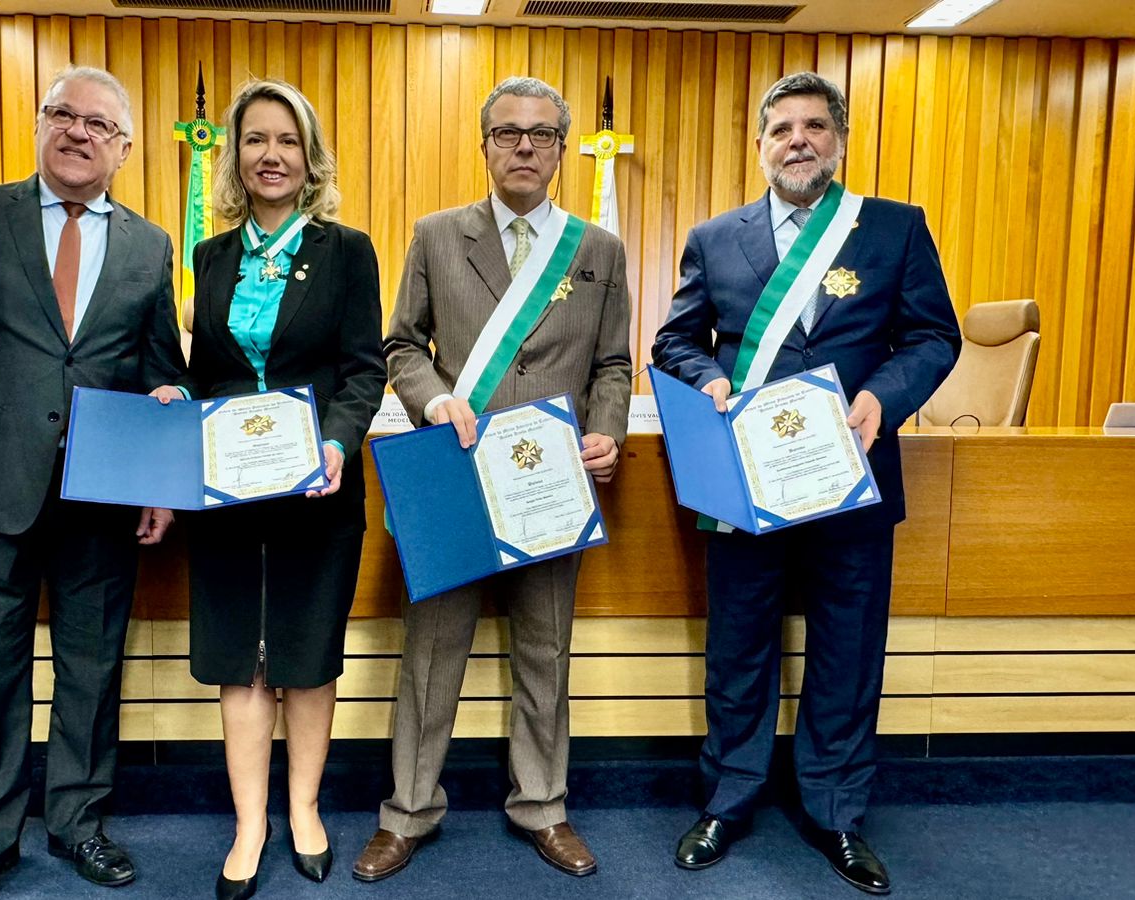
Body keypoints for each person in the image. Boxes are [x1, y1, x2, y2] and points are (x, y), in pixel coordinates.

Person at [652, 71, 961, 895]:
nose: (799, 139)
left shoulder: (892, 229)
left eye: (815, 126)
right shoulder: (717, 237)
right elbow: (675, 341)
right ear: (760, 146)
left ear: (840, 139)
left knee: (846, 650)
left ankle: (836, 811)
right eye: (782, 127)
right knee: (739, 646)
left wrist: (880, 399)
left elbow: (934, 337)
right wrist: (708, 379)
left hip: (852, 476)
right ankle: (731, 799)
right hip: (744, 480)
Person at [0, 66, 186, 900]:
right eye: (64, 113)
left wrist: (160, 481)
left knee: (93, 668)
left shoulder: (148, 244)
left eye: (99, 124)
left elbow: (160, 372)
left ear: (123, 149)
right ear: (38, 123)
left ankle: (79, 825)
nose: (79, 131)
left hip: (104, 492)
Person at [353, 75, 632, 883]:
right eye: (507, 133)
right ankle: (407, 812)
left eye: (541, 135)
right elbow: (399, 345)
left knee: (547, 650)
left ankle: (544, 807)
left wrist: (606, 430)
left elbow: (612, 362)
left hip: (550, 485)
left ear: (559, 151)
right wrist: (434, 398)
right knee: (432, 652)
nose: (523, 147)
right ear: (484, 147)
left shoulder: (598, 249)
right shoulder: (438, 235)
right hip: (455, 472)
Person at [157, 79, 385, 900]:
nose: (271, 156)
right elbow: (208, 371)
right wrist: (176, 394)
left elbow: (365, 369)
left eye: (287, 141)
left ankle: (305, 809)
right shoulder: (210, 257)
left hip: (319, 487)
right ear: (235, 156)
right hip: (227, 490)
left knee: (306, 652)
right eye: (255, 140)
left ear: (309, 155)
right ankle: (250, 823)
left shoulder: (347, 251)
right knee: (238, 661)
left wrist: (335, 441)